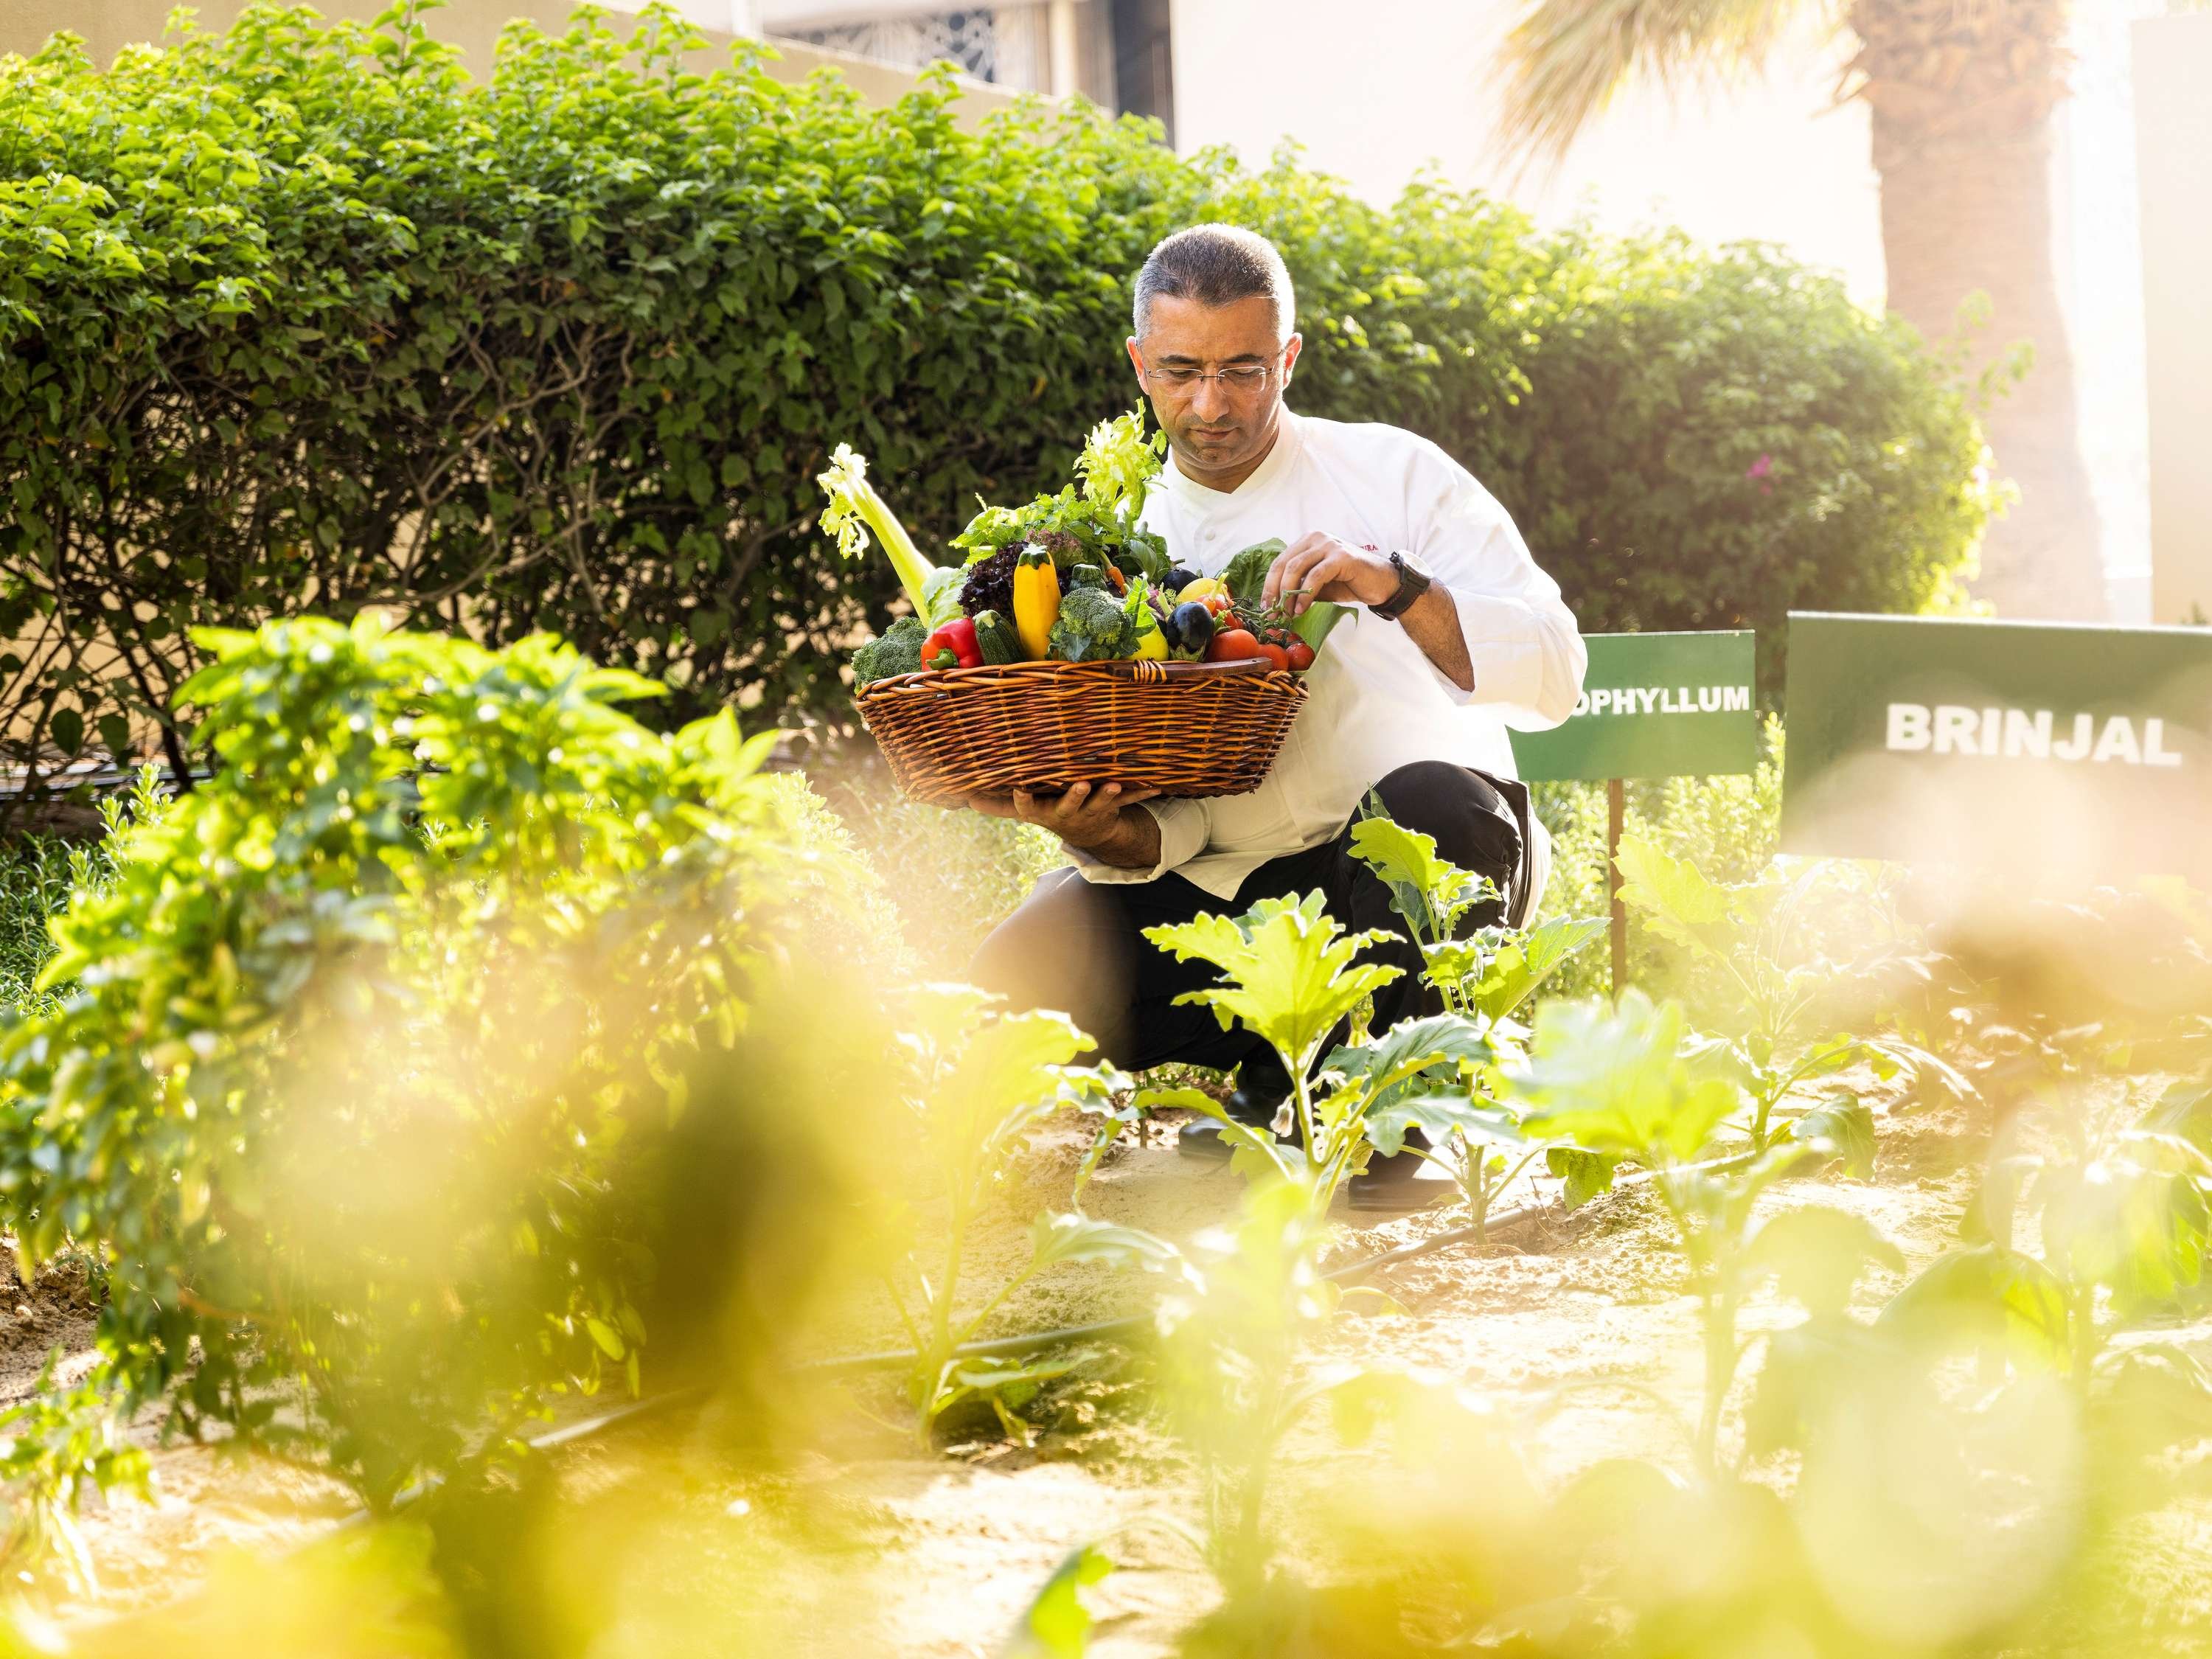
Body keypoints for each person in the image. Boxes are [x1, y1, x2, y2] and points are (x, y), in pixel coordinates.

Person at [967, 223, 1585, 1208]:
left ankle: (1384, 1127)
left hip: (1418, 876)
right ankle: (1272, 1082)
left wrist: (1395, 587)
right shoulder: (1117, 541)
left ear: (1288, 357)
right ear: (1139, 364)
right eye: (1180, 371)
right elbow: (1172, 825)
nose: (1211, 405)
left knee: (1433, 803)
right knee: (998, 988)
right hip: (1225, 904)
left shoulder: (1394, 476)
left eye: (1244, 370)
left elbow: (1558, 671)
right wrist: (1099, 830)